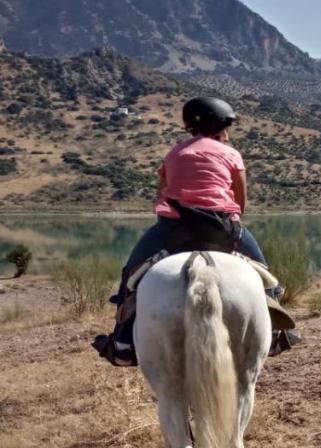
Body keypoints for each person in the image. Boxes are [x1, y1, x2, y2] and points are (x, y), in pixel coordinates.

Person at [92, 96, 295, 366]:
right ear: (221, 126)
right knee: (265, 273)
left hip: (174, 229)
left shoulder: (175, 153)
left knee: (130, 272)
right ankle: (275, 332)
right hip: (223, 229)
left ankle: (122, 344)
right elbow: (240, 199)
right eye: (227, 126)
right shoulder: (232, 154)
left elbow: (162, 191)